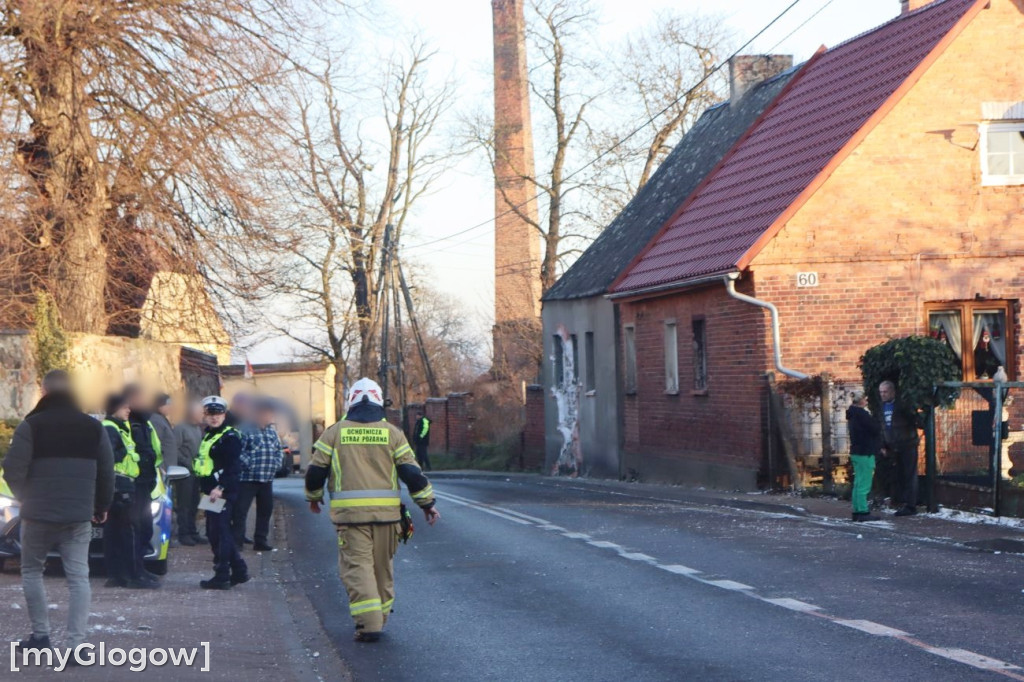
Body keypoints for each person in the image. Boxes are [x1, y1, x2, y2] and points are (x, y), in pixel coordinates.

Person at [305, 378, 440, 643]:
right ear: (379, 401)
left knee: (358, 570)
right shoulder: (393, 433)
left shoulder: (334, 433)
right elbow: (412, 473)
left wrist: (313, 497)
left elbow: (316, 471)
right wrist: (427, 504)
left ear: (351, 401)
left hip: (351, 519)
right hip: (388, 518)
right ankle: (380, 617)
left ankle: (369, 625)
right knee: (382, 570)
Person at [3, 370, 114, 654]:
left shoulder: (31, 426)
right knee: (78, 577)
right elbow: (106, 472)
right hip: (78, 516)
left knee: (31, 571)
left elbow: (12, 470)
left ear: (44, 391)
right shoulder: (93, 427)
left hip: (37, 515)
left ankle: (41, 636)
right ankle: (77, 644)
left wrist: (26, 498)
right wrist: (102, 506)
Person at [101, 394, 157, 589]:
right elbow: (109, 457)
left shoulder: (118, 427)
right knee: (129, 531)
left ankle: (118, 575)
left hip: (122, 484)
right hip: (120, 485)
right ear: (115, 408)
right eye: (124, 407)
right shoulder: (111, 428)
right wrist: (124, 452)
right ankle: (133, 576)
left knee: (117, 531)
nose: (128, 410)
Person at [194, 395, 248, 589]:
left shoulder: (230, 437)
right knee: (214, 532)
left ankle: (222, 574)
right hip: (210, 492)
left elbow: (233, 466)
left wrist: (220, 487)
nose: (214, 417)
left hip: (221, 492)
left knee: (220, 533)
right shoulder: (209, 435)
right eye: (210, 414)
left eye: (218, 414)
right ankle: (239, 570)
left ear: (225, 415)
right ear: (205, 415)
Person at [232, 399, 282, 552]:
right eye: (268, 414)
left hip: (267, 479)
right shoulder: (245, 429)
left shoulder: (272, 432)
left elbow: (278, 450)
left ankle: (260, 541)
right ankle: (237, 542)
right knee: (240, 511)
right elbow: (237, 451)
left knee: (265, 511)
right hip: (248, 479)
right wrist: (250, 464)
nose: (270, 417)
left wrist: (276, 464)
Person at [124, 384, 162, 580]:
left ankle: (140, 569)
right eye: (137, 398)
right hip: (133, 484)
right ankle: (135, 572)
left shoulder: (145, 422)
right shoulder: (127, 424)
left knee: (145, 529)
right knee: (137, 529)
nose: (141, 401)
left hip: (146, 483)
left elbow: (153, 452)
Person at [878, 380, 920, 517]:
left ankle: (911, 505)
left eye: (885, 392)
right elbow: (882, 427)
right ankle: (900, 501)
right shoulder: (881, 407)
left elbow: (914, 420)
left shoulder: (902, 405)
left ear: (892, 392)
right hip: (892, 446)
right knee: (898, 475)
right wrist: (883, 445)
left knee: (909, 475)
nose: (883, 395)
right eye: (881, 392)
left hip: (907, 444)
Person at [846, 392, 882, 522]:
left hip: (856, 452)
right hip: (865, 452)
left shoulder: (852, 414)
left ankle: (857, 510)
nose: (867, 401)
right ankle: (862, 511)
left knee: (858, 483)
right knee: (864, 484)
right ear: (861, 401)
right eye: (865, 399)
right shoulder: (862, 415)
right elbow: (876, 429)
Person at [174, 401, 205, 546]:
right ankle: (184, 533)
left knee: (194, 503)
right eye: (201, 413)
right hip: (184, 473)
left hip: (196, 472)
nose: (203, 415)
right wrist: (187, 462)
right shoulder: (180, 428)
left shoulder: (198, 428)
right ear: (193, 413)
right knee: (184, 504)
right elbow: (175, 449)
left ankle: (193, 531)